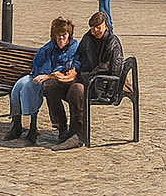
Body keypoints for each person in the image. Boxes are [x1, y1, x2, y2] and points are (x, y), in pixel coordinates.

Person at [43, 11, 125, 151]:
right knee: (51, 87)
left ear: (106, 26)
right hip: (83, 78)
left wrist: (104, 87)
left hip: (99, 85)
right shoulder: (87, 39)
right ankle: (61, 126)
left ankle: (77, 134)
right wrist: (73, 70)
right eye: (93, 27)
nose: (95, 30)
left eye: (98, 27)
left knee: (76, 91)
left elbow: (115, 70)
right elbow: (79, 58)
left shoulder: (112, 42)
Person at [3, 17, 79, 144]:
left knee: (49, 88)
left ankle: (55, 128)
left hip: (64, 83)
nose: (61, 38)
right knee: (22, 85)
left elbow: (73, 66)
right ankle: (17, 125)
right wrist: (49, 75)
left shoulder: (74, 47)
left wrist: (52, 75)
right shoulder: (47, 49)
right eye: (58, 35)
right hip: (43, 78)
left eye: (64, 35)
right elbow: (40, 71)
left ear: (69, 35)